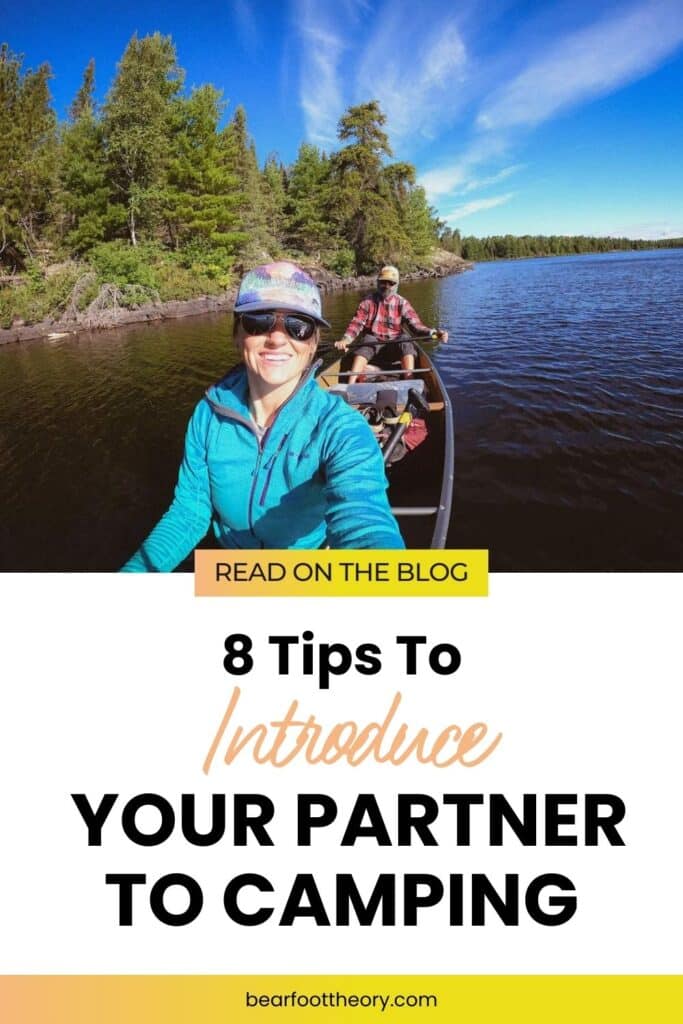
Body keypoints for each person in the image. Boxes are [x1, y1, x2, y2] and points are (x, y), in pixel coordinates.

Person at [122, 262, 404, 570]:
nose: (277, 339)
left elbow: (365, 521)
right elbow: (190, 511)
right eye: (259, 320)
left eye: (298, 326)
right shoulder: (207, 415)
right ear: (237, 334)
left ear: (311, 345)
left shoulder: (340, 429)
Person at [335, 265, 448, 383]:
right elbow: (356, 324)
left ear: (396, 284)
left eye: (390, 283)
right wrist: (346, 340)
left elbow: (417, 327)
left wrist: (435, 334)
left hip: (395, 346)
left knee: (406, 340)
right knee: (367, 340)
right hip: (373, 346)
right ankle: (351, 383)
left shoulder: (402, 303)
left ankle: (410, 380)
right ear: (378, 283)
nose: (386, 286)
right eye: (383, 282)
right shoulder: (367, 302)